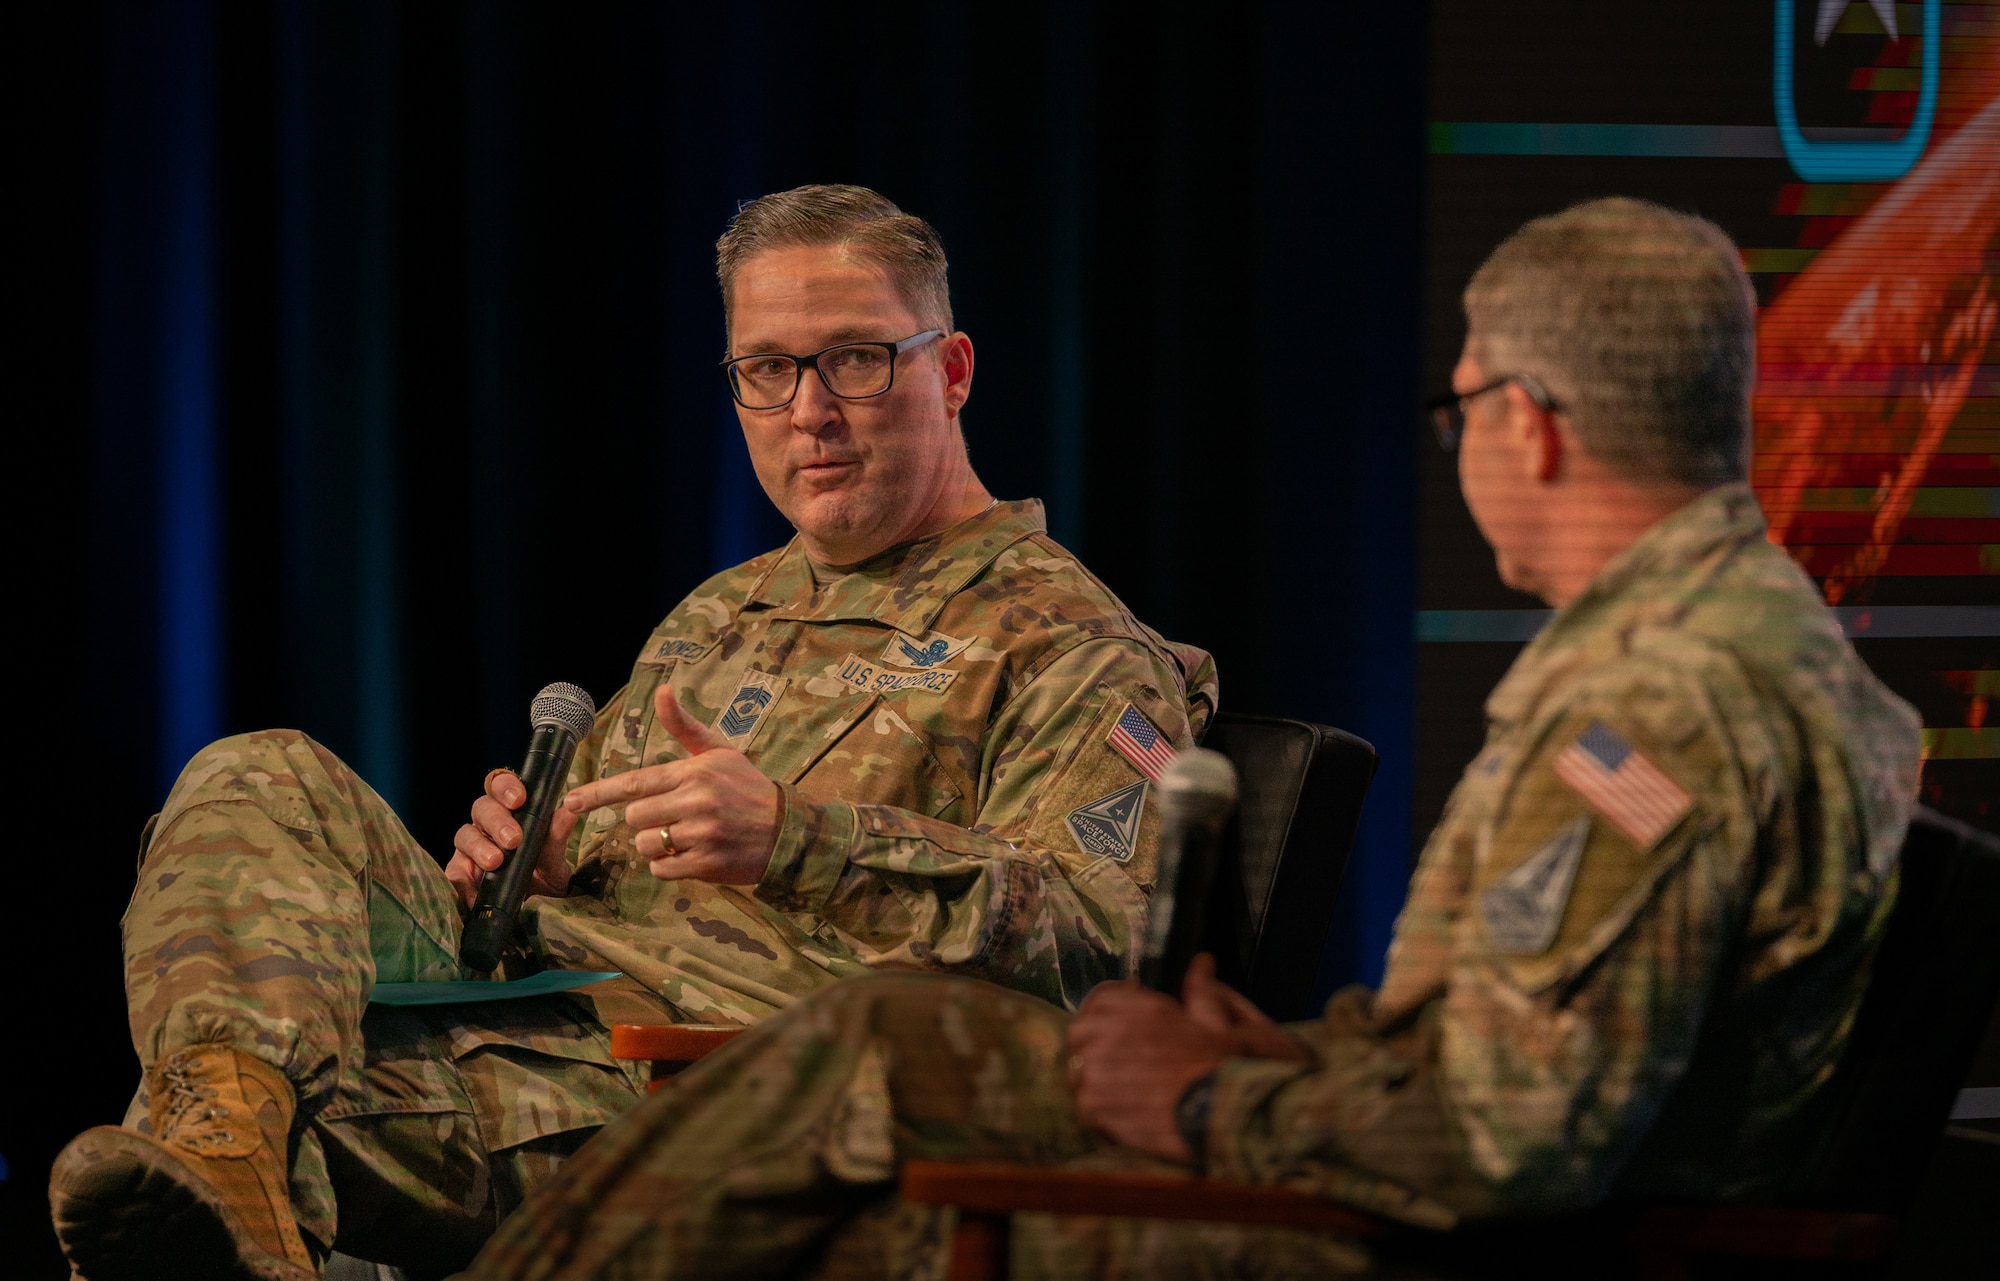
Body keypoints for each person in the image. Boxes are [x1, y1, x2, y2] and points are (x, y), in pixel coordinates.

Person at [455, 198, 1924, 1280]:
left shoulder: (1657, 708)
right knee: (873, 1058)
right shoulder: (1756, 648)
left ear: (1528, 427)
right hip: (1396, 1189)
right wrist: (1289, 1058)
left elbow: (1512, 1141)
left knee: (843, 1151)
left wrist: (1215, 1097)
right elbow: (1517, 1062)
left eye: (1461, 408)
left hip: (1417, 1244)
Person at [49, 184, 1217, 1281]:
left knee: (222, 1133)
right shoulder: (725, 612)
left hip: (719, 1100)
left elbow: (1105, 945)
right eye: (767, 369)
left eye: (856, 360)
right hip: (538, 1011)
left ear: (950, 371)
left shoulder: (1071, 645)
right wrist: (531, 863)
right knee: (258, 775)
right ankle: (229, 1146)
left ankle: (230, 1163)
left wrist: (796, 839)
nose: (808, 411)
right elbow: (566, 882)